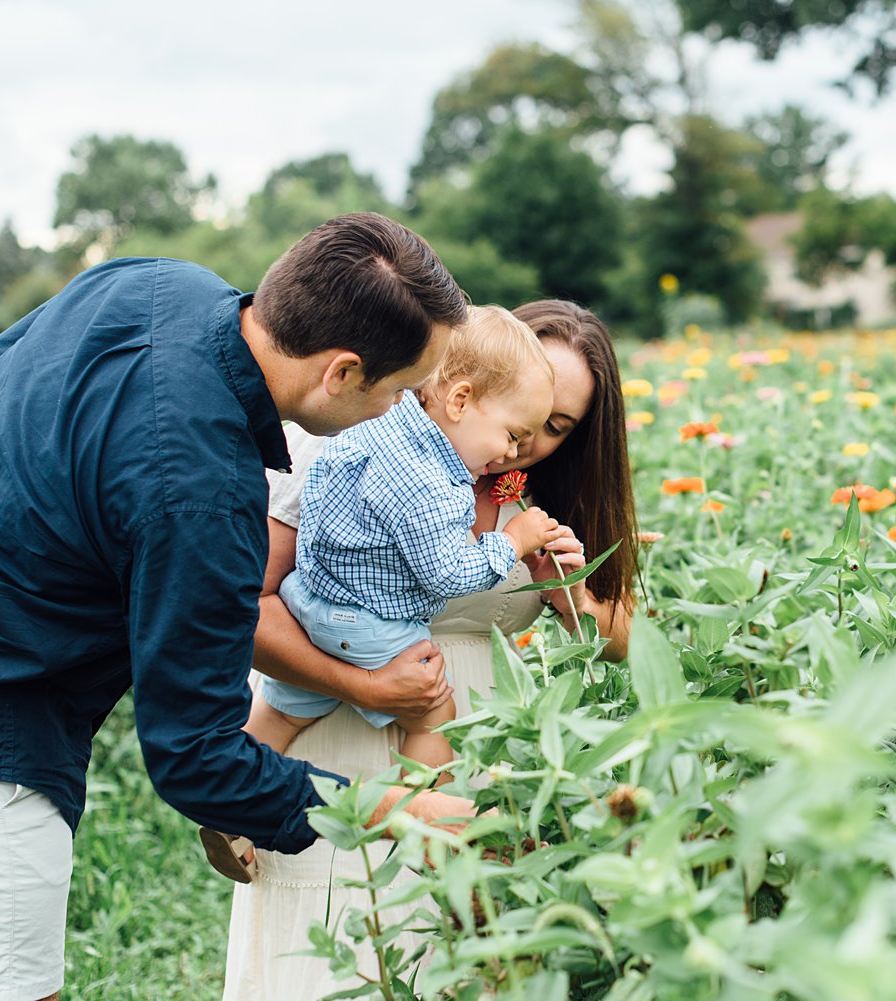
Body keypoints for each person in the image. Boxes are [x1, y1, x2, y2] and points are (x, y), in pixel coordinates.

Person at [0, 212, 471, 1001]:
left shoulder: (151, 279)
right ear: (340, 372)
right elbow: (195, 757)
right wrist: (396, 806)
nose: (398, 414)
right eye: (399, 391)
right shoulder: (207, 498)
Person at [222, 300, 639, 1000]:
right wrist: (361, 685)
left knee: (454, 960)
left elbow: (624, 639)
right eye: (525, 412)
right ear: (467, 378)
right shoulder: (366, 436)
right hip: (338, 731)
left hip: (476, 756)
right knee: (335, 951)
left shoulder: (537, 495)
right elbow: (250, 603)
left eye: (558, 426)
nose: (530, 440)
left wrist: (569, 591)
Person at [201, 306, 573, 881]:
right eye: (513, 434)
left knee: (281, 707)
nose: (511, 453)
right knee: (432, 714)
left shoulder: (374, 426)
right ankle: (422, 816)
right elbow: (447, 576)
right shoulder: (436, 479)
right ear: (459, 400)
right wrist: (514, 541)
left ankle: (226, 804)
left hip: (312, 601)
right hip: (372, 621)